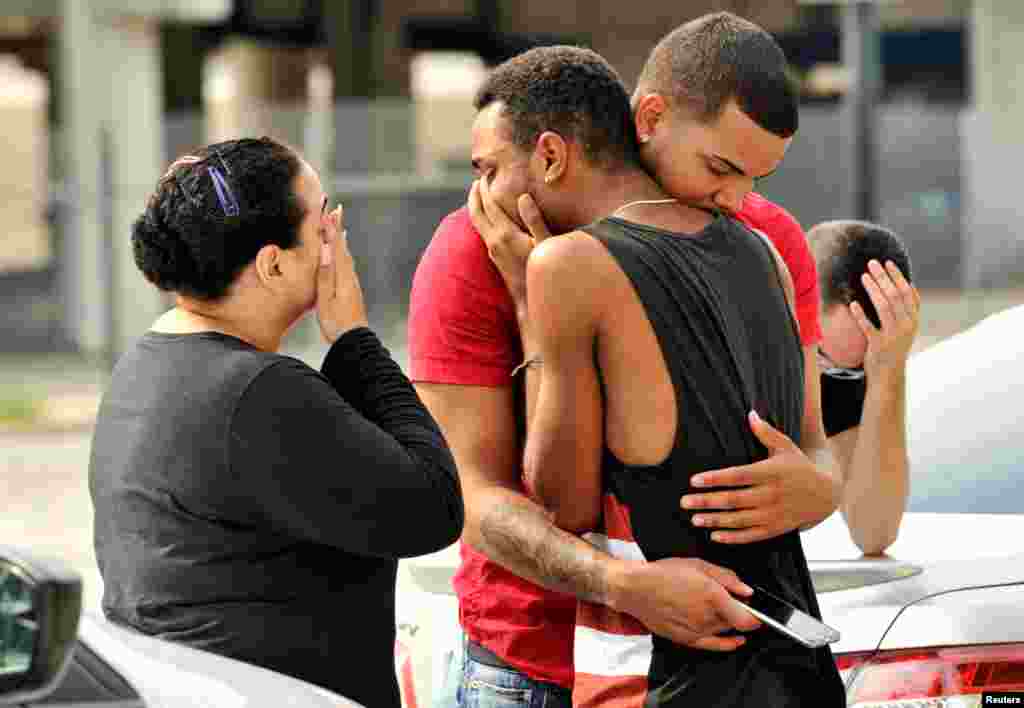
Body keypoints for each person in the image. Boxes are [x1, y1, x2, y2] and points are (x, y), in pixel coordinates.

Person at [410, 13, 840, 708]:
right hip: (529, 664)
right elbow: (470, 493)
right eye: (721, 168)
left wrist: (822, 486)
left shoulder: (763, 238)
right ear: (649, 117)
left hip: (717, 659)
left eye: (752, 178)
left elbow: (818, 447)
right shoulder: (472, 249)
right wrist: (618, 586)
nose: (736, 199)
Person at [89, 136, 464, 708]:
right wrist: (356, 339)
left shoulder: (145, 364)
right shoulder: (258, 394)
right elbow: (433, 507)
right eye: (322, 225)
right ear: (273, 263)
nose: (336, 240)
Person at [808, 220, 918, 554]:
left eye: (850, 372)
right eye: (823, 360)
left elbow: (874, 532)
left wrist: (887, 375)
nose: (824, 378)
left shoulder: (849, 367)